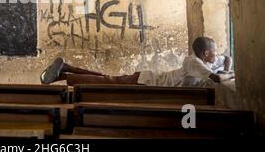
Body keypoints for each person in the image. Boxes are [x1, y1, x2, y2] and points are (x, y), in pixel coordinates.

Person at [40, 36, 234, 87]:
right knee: (107, 82)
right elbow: (216, 79)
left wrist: (225, 67)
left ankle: (65, 70)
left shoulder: (207, 61)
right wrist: (229, 75)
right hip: (148, 82)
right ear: (206, 53)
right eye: (214, 52)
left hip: (149, 81)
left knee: (108, 80)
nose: (217, 56)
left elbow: (228, 58)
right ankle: (65, 72)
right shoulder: (194, 63)